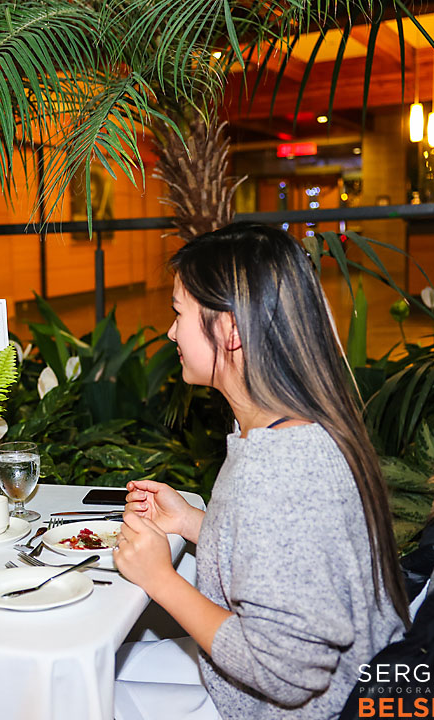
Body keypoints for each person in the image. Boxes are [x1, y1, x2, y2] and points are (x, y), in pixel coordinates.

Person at [112, 223, 408, 719]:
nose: (171, 332)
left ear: (230, 329)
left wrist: (160, 579)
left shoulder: (281, 470)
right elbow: (277, 552)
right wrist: (191, 522)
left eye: (178, 314)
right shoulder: (284, 426)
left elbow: (288, 672)